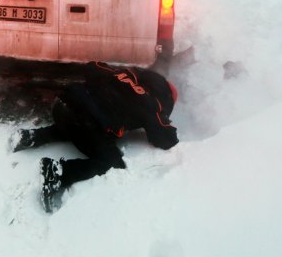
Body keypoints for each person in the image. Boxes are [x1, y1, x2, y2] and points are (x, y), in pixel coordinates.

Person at [11, 61, 179, 213]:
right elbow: (165, 139)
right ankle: (56, 172)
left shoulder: (123, 73)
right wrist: (160, 118)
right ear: (167, 99)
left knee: (77, 122)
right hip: (82, 124)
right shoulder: (153, 104)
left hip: (62, 105)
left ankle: (30, 137)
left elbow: (92, 66)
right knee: (112, 162)